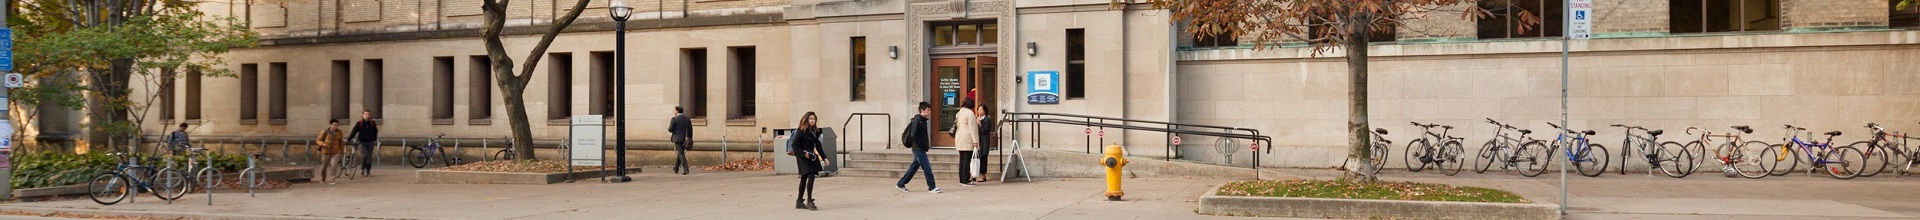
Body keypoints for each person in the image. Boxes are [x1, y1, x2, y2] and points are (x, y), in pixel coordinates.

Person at [896, 102, 941, 194]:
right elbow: (914, 135)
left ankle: (901, 183)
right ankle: (932, 187)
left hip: (920, 148)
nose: (929, 112)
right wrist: (922, 145)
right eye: (927, 110)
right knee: (927, 168)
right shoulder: (918, 120)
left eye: (929, 110)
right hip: (918, 148)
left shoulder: (923, 120)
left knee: (913, 168)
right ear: (922, 110)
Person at [791, 112, 830, 211]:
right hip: (802, 156)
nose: (812, 120)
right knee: (811, 176)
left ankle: (799, 201)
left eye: (814, 119)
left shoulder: (815, 131)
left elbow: (818, 145)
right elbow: (794, 145)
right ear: (806, 120)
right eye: (810, 119)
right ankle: (809, 200)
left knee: (804, 177)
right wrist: (804, 154)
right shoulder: (801, 131)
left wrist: (824, 157)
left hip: (811, 156)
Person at [952, 98, 979, 186]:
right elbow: (973, 128)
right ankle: (965, 179)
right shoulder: (970, 113)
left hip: (959, 137)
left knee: (962, 159)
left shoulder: (959, 112)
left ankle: (961, 179)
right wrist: (975, 141)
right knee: (967, 159)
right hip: (967, 138)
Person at [346, 110, 379, 177]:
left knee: (369, 157)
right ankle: (362, 169)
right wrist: (348, 139)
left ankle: (368, 171)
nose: (367, 115)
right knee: (365, 155)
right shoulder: (359, 123)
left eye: (368, 114)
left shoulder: (372, 123)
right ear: (363, 115)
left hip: (370, 142)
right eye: (366, 114)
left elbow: (375, 131)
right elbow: (354, 132)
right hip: (362, 142)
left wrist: (374, 139)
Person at [316, 119, 347, 184]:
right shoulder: (324, 132)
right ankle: (323, 178)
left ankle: (332, 179)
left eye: (337, 125)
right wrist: (322, 144)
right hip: (325, 151)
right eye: (334, 125)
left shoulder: (339, 133)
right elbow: (318, 140)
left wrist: (342, 152)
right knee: (323, 167)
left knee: (334, 165)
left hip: (335, 152)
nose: (335, 127)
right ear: (330, 125)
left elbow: (341, 143)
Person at [669, 106, 694, 175]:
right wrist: (690, 138)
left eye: (675, 110)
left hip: (677, 139)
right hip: (685, 139)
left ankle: (686, 168)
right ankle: (676, 168)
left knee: (680, 153)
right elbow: (690, 130)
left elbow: (670, 129)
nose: (674, 112)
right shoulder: (687, 119)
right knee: (680, 153)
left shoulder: (674, 119)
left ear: (677, 111)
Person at [973, 103, 995, 183]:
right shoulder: (976, 118)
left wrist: (980, 124)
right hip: (977, 141)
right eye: (978, 109)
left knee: (983, 158)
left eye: (981, 110)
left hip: (984, 141)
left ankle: (983, 175)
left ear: (985, 111)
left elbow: (985, 130)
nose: (979, 111)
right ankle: (974, 174)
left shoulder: (987, 119)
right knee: (976, 157)